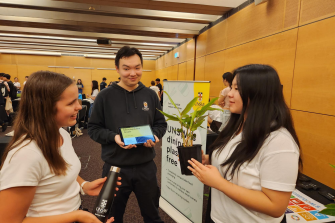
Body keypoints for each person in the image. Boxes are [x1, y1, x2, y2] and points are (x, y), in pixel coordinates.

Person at [0, 71, 119, 223]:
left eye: (77, 100)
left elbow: (59, 171)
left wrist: (84, 185)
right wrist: (76, 216)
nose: (79, 106)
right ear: (45, 107)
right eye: (71, 103)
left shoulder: (62, 134)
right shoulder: (26, 154)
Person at [188, 64, 302, 223]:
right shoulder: (236, 125)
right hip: (218, 217)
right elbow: (236, 159)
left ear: (259, 93)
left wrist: (220, 184)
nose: (230, 95)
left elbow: (276, 206)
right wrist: (208, 159)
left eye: (237, 89)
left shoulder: (279, 142)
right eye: (231, 87)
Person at [88, 46, 167, 223]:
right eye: (126, 68)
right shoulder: (104, 96)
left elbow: (161, 124)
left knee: (152, 216)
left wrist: (155, 136)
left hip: (146, 166)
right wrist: (114, 137)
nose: (133, 73)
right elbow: (93, 129)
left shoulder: (151, 95)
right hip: (115, 168)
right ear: (117, 69)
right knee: (112, 217)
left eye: (137, 67)